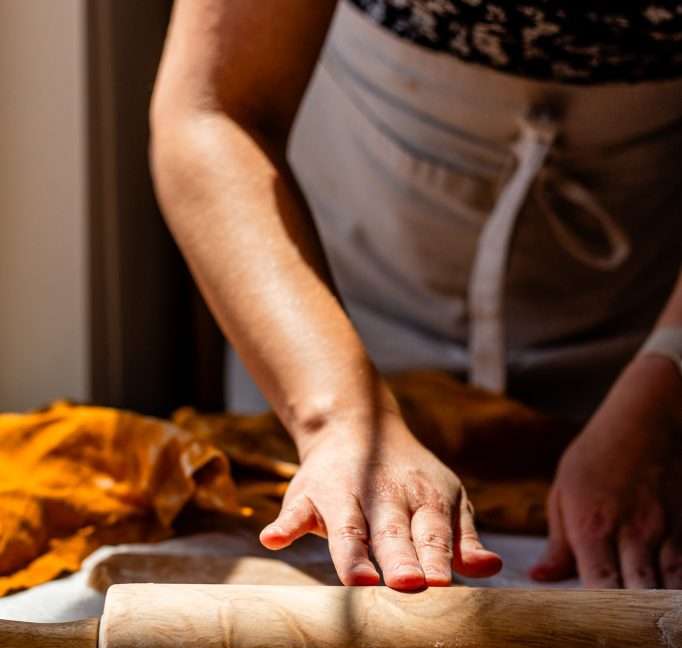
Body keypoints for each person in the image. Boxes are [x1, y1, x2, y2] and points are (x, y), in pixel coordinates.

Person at [149, 0, 682, 591]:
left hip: (643, 325)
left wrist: (665, 381)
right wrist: (340, 417)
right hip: (336, 310)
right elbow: (213, 110)